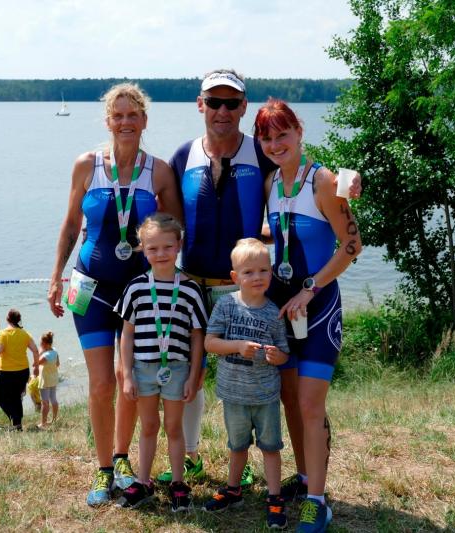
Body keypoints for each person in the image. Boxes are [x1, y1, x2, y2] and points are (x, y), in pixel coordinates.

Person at [165, 68, 363, 486]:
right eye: (214, 101)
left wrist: (349, 179)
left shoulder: (264, 155)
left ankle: (307, 480)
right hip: (219, 286)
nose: (222, 110)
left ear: (242, 107)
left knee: (286, 391)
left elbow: (312, 174)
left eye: (231, 103)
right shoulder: (191, 156)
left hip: (267, 292)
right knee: (195, 377)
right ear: (200, 104)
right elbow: (171, 214)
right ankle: (196, 460)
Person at [47, 83, 182, 505]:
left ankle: (122, 459)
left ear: (144, 120)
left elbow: (175, 232)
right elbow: (71, 225)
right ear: (108, 121)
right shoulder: (86, 165)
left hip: (138, 293)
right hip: (87, 286)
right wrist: (55, 277)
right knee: (102, 383)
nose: (125, 122)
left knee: (130, 379)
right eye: (118, 115)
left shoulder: (159, 172)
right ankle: (104, 468)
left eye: (132, 115)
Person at [256, 98, 362, 533]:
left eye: (283, 134)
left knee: (309, 403)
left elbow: (351, 246)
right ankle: (303, 478)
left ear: (299, 132)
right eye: (267, 138)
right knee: (289, 400)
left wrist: (311, 288)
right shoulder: (269, 182)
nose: (275, 144)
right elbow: (281, 232)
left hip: (317, 307)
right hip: (283, 307)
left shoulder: (323, 181)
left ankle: (318, 502)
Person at [114, 213, 206, 512]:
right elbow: (127, 335)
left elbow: (197, 336)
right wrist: (127, 375)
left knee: (174, 427)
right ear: (143, 249)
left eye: (167, 247)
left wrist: (194, 374)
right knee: (149, 426)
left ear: (178, 245)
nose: (161, 253)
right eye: (153, 248)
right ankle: (143, 482)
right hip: (143, 369)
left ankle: (178, 482)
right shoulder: (136, 287)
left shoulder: (191, 289)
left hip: (177, 369)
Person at [202, 238, 291, 529]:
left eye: (263, 270)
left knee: (271, 447)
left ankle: (275, 497)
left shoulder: (274, 312)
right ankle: (233, 489)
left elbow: (283, 353)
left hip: (265, 395)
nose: (257, 277)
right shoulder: (226, 305)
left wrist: (278, 356)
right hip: (233, 394)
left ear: (271, 273)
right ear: (235, 276)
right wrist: (238, 346)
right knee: (237, 446)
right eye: (249, 272)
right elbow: (210, 343)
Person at [0, 309, 40, 431]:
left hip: (7, 372)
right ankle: (17, 424)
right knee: (16, 397)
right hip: (23, 371)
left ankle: (15, 420)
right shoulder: (24, 333)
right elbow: (35, 350)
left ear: (7, 319)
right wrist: (36, 367)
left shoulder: (2, 334)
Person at [36, 331, 60, 428]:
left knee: (45, 402)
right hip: (53, 378)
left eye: (41, 343)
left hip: (45, 380)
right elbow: (58, 364)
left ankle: (43, 423)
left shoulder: (45, 355)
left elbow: (36, 363)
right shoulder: (55, 351)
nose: (40, 345)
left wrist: (40, 352)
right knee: (53, 399)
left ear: (44, 344)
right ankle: (54, 419)